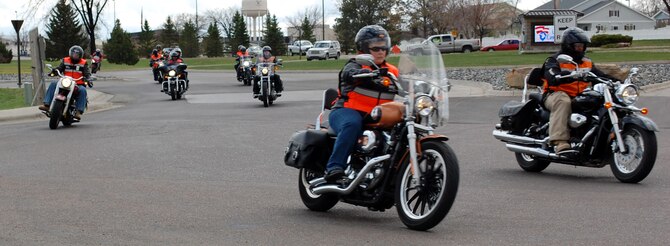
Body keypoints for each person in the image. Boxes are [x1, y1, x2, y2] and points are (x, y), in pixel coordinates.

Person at [324, 25, 399, 182]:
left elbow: (408, 84)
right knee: (352, 124)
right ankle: (334, 167)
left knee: (402, 128)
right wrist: (362, 73)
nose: (381, 51)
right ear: (364, 48)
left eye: (384, 47)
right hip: (346, 111)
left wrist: (426, 90)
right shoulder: (356, 64)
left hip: (377, 115)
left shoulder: (392, 70)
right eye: (375, 48)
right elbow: (348, 73)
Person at [542, 27, 616, 155]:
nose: (580, 49)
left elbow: (599, 75)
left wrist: (617, 82)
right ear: (568, 46)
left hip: (577, 95)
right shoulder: (554, 60)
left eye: (582, 46)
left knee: (596, 99)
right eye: (577, 46)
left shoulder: (586, 62)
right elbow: (551, 75)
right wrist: (565, 75)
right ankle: (560, 141)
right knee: (563, 101)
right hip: (554, 94)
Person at [38, 45, 91, 120]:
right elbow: (60, 68)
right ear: (71, 53)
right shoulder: (65, 60)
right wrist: (55, 71)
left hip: (77, 83)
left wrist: (88, 79)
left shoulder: (83, 63)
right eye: (74, 53)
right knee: (53, 83)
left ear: (80, 55)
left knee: (83, 90)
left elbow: (87, 73)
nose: (75, 55)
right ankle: (47, 104)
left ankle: (78, 112)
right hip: (65, 82)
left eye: (77, 54)